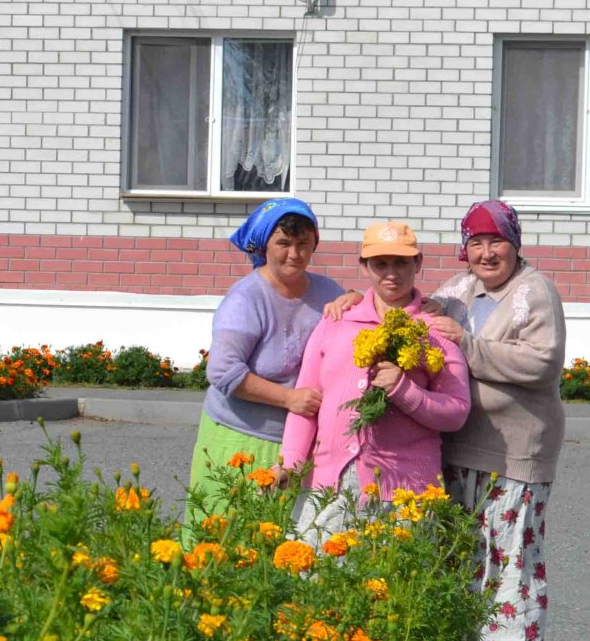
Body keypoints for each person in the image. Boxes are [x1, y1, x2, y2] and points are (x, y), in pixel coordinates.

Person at [424, 201, 566, 641]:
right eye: (476, 242)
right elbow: (414, 310)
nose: (486, 252)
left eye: (496, 241)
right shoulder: (460, 291)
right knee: (469, 561)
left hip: (516, 453)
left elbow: (541, 362)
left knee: (513, 563)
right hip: (461, 447)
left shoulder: (534, 291)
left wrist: (464, 346)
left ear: (515, 243)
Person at [279, 221, 471, 532]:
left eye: (401, 263)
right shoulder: (337, 321)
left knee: (395, 580)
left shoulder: (435, 329)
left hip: (406, 492)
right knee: (314, 577)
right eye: (380, 264)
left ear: (418, 263)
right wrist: (290, 463)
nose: (391, 273)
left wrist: (404, 390)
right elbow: (306, 400)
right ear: (364, 267)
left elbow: (456, 413)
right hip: (329, 486)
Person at [186, 199, 357, 528]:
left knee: (279, 551)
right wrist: (290, 398)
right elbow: (223, 371)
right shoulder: (246, 299)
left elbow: (356, 323)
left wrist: (356, 299)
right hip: (239, 440)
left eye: (303, 244)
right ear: (265, 245)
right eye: (284, 243)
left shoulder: (326, 291)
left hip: (297, 445)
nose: (294, 254)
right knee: (225, 537)